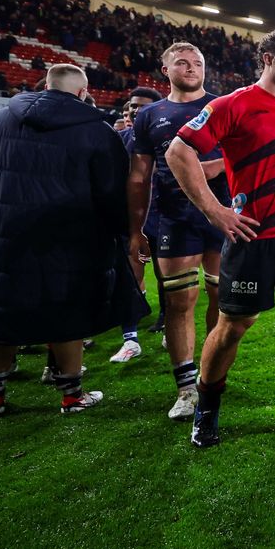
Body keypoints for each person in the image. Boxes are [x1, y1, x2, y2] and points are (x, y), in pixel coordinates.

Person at [167, 30, 275, 448]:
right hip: (251, 237)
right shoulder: (231, 105)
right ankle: (205, 414)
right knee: (234, 325)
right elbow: (178, 152)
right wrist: (214, 209)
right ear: (267, 58)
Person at [0, 63, 144, 417]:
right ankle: (72, 395)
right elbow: (112, 193)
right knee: (67, 308)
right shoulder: (96, 129)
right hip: (70, 237)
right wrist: (121, 232)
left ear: (44, 85)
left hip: (0, 233)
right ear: (82, 92)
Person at [131, 49, 231, 422]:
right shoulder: (150, 115)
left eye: (199, 63)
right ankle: (187, 389)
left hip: (222, 217)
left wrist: (208, 167)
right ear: (166, 69)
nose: (192, 69)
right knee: (179, 302)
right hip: (173, 219)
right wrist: (135, 229)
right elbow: (139, 177)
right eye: (183, 63)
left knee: (224, 300)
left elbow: (243, 156)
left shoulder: (223, 106)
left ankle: (211, 372)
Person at [109, 86, 160, 367]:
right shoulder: (119, 140)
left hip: (164, 218)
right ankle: (130, 340)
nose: (135, 111)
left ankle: (165, 323)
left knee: (170, 282)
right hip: (131, 221)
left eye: (142, 106)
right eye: (131, 106)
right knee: (130, 278)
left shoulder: (171, 138)